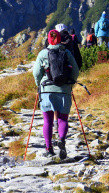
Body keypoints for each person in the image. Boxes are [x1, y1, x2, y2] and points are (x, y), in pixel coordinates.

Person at [33, 30, 79, 159]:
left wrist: (39, 85)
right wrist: (70, 84)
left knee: (47, 120)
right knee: (63, 118)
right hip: (64, 90)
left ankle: (49, 149)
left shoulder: (43, 53)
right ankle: (62, 140)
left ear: (48, 40)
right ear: (60, 39)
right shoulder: (67, 53)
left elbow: (36, 73)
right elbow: (75, 71)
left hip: (46, 89)